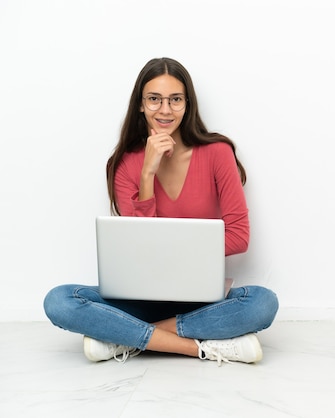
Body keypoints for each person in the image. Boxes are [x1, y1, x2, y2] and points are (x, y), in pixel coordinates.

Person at [43, 57, 279, 365]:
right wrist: (147, 174)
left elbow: (239, 237)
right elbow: (136, 246)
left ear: (187, 104)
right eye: (154, 99)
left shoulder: (218, 153)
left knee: (262, 303)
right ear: (140, 105)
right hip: (140, 299)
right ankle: (201, 347)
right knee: (59, 301)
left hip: (201, 301)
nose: (165, 110)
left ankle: (125, 338)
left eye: (175, 100)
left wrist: (173, 251)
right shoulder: (126, 164)